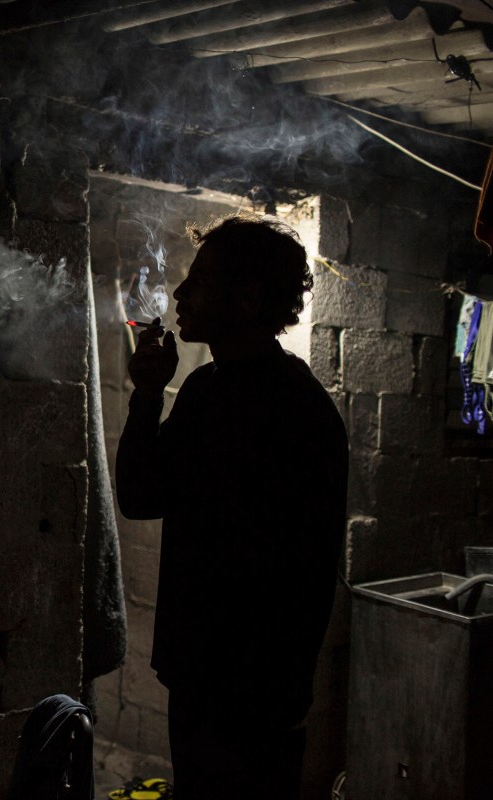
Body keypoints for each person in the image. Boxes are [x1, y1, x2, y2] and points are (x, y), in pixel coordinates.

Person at [115, 214, 348, 800]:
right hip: (199, 677)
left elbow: (299, 572)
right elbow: (140, 498)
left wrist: (276, 689)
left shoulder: (296, 409)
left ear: (246, 297)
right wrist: (148, 394)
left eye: (200, 281)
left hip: (255, 694)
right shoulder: (205, 390)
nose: (180, 294)